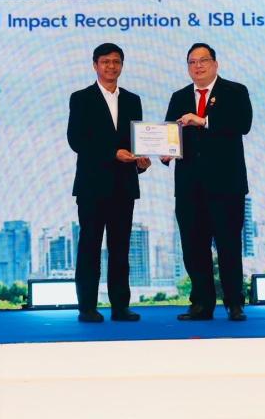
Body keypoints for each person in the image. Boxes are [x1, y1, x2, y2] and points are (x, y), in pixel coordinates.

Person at [162, 42, 252, 321]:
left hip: (226, 186)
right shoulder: (179, 96)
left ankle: (234, 303)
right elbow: (170, 133)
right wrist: (165, 152)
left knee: (228, 246)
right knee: (193, 248)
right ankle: (201, 303)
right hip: (189, 188)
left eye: (203, 60)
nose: (198, 66)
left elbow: (243, 124)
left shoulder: (235, 91)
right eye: (192, 62)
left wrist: (203, 121)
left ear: (215, 64)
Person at [67, 43, 151, 323]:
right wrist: (113, 153)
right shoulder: (81, 98)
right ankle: (87, 307)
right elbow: (77, 140)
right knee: (89, 247)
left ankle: (120, 307)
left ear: (122, 65)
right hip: (92, 186)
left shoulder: (133, 100)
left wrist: (140, 161)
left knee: (121, 249)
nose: (111, 66)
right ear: (95, 65)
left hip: (124, 185)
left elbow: (136, 142)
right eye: (105, 62)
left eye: (116, 61)